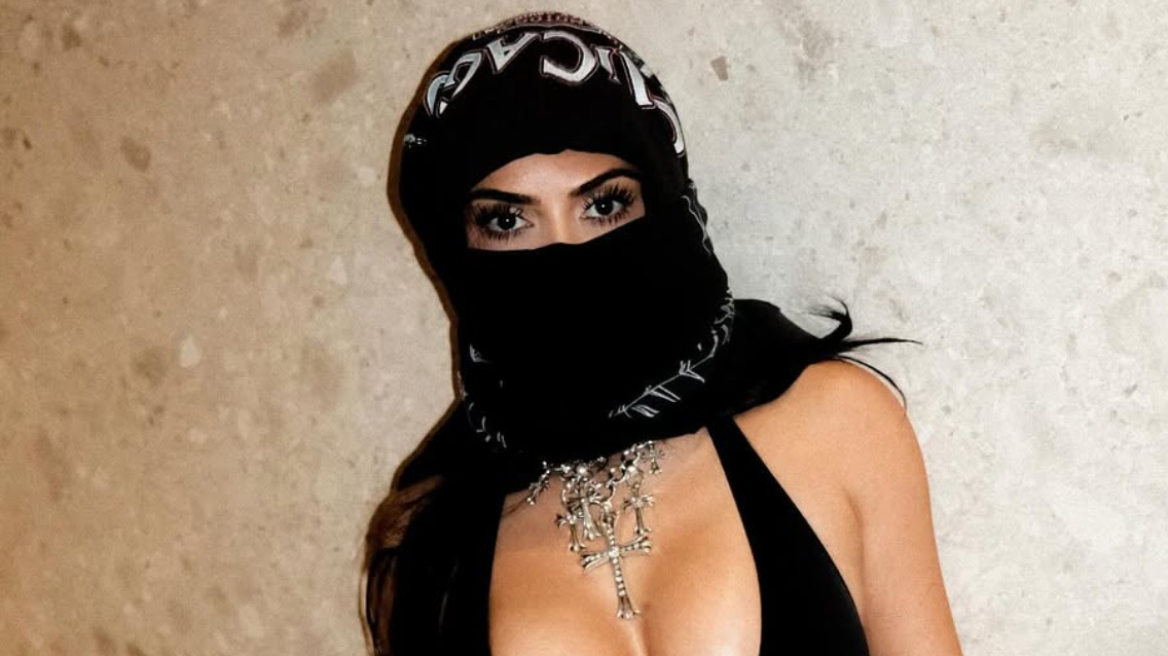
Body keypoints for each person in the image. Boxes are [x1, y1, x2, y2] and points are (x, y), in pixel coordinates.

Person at [364, 11, 963, 656]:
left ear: (666, 200)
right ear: (453, 250)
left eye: (603, 204)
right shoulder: (428, 542)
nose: (565, 254)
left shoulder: (834, 421)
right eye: (508, 221)